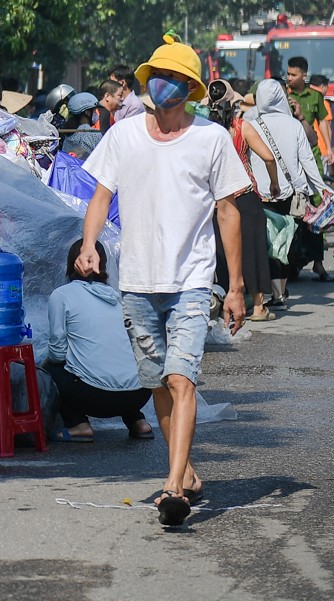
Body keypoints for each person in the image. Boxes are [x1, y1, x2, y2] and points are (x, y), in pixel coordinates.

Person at [80, 36, 250, 526]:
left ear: (191, 88)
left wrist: (235, 286)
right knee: (157, 382)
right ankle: (189, 471)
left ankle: (173, 486)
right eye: (158, 74)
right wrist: (89, 245)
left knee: (181, 377)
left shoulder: (211, 139)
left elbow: (227, 211)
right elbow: (100, 196)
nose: (163, 83)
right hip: (136, 281)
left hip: (192, 280)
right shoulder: (124, 134)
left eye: (175, 78)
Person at [47, 239, 154, 441]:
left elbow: (57, 353)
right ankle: (139, 422)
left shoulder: (61, 295)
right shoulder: (116, 297)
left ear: (71, 264)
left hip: (95, 397)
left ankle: (78, 424)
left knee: (50, 369)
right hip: (140, 394)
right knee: (119, 364)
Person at [247, 80, 330, 298]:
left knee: (262, 244)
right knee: (284, 244)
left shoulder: (251, 125)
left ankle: (262, 295)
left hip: (257, 194)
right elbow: (308, 160)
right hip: (289, 195)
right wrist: (320, 190)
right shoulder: (294, 125)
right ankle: (279, 292)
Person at [219, 94, 279, 321]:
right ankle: (258, 308)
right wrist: (274, 183)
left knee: (221, 251)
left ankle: (224, 303)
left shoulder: (204, 129)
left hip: (218, 199)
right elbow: (269, 158)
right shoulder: (242, 127)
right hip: (244, 195)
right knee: (254, 250)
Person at [283, 57, 326, 145]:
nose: (289, 78)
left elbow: (322, 121)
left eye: (294, 75)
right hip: (289, 143)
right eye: (288, 74)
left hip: (310, 144)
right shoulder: (283, 93)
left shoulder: (315, 94)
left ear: (304, 76)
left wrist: (328, 147)